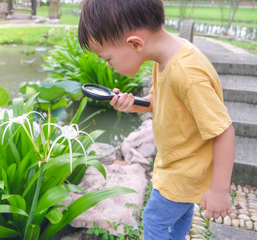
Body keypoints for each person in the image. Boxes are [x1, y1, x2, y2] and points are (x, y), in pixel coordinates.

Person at [78, 0, 235, 239]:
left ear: (135, 43)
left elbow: (223, 131)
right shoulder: (168, 55)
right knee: (178, 218)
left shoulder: (186, 73)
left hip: (181, 172)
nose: (109, 65)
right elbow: (162, 100)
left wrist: (220, 191)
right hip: (181, 167)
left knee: (154, 220)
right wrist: (136, 105)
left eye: (108, 59)